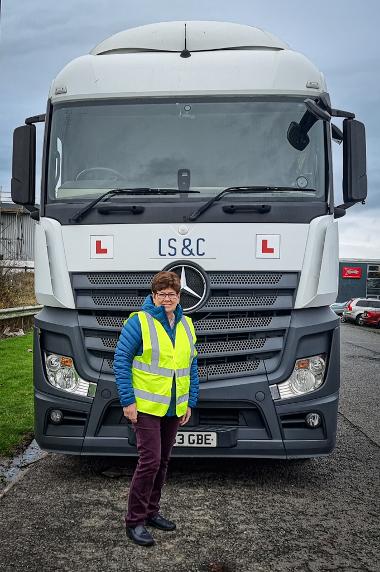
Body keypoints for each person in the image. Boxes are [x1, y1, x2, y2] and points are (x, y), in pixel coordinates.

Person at [114, 271, 199, 547]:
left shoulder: (187, 324)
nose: (167, 299)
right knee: (149, 461)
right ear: (153, 296)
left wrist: (189, 402)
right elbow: (121, 361)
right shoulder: (139, 322)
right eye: (161, 294)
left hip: (174, 406)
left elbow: (192, 366)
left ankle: (151, 512)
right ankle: (134, 520)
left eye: (171, 294)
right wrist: (127, 401)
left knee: (162, 462)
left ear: (179, 296)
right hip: (146, 406)